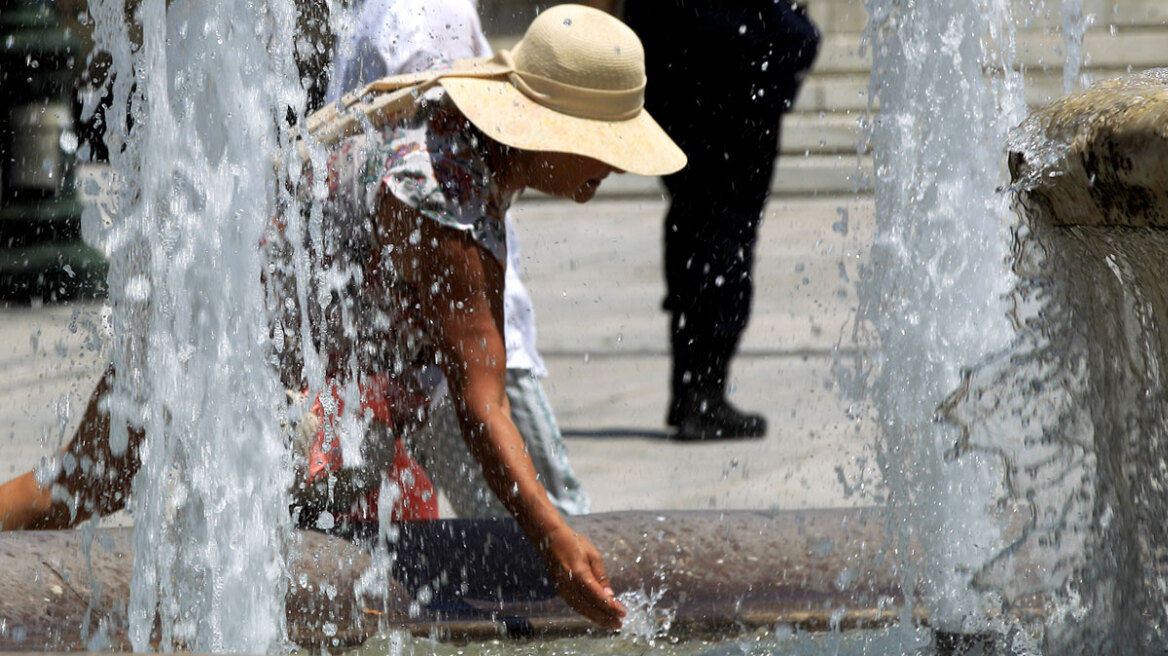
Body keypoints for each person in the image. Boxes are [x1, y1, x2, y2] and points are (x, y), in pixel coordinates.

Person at [0, 4, 687, 630]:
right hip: (227, 341)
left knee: (79, 486)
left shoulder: (458, 143)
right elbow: (483, 408)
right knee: (136, 504)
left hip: (212, 314)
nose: (616, 166)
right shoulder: (446, 197)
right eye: (604, 142)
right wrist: (557, 542)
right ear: (549, 129)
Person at [325, 0, 590, 519]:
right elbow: (478, 395)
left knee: (495, 541)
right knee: (547, 530)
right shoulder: (447, 192)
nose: (617, 168)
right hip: (448, 345)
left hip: (404, 357)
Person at [621, 1, 819, 441]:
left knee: (694, 228)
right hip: (734, 84)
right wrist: (795, 40)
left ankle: (692, 392)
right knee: (725, 237)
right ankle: (702, 395)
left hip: (679, 80)